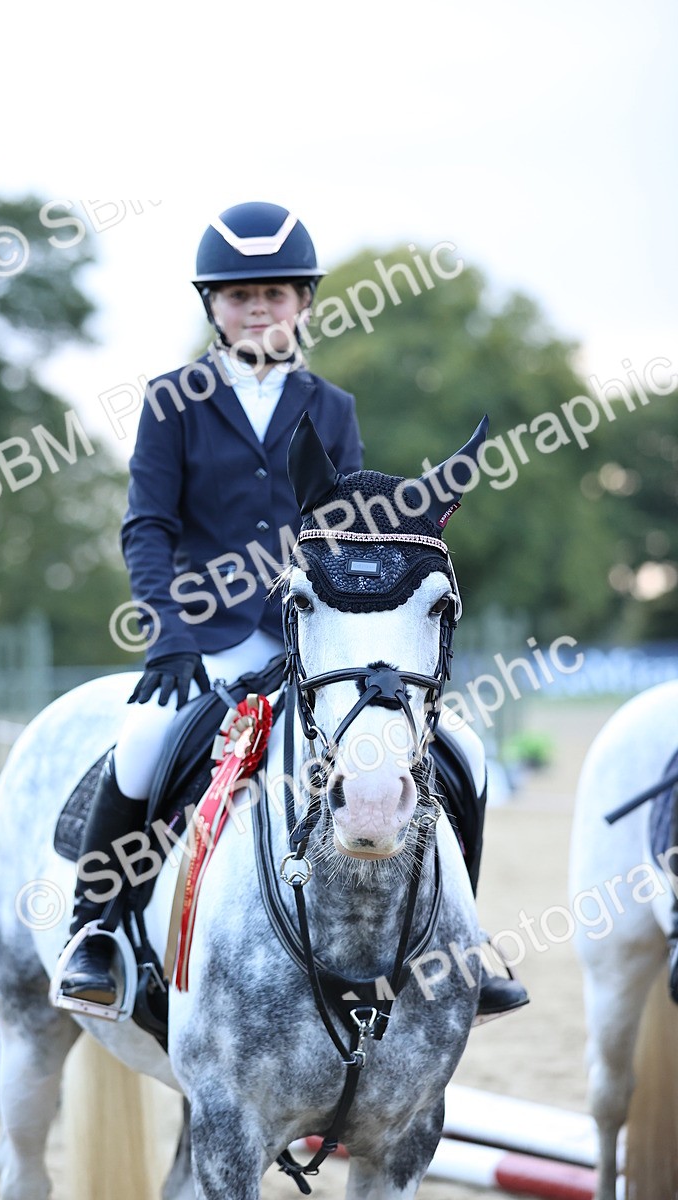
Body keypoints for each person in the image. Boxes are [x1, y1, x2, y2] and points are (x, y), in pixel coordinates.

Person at [57, 201, 528, 1020]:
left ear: (303, 302)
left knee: (466, 752)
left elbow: (343, 532)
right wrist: (167, 636)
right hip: (210, 644)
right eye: (241, 296)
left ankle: (461, 938)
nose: (259, 307)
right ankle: (94, 928)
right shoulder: (173, 400)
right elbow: (149, 527)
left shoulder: (333, 406)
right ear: (214, 306)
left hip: (315, 638)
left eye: (275, 293)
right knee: (142, 744)